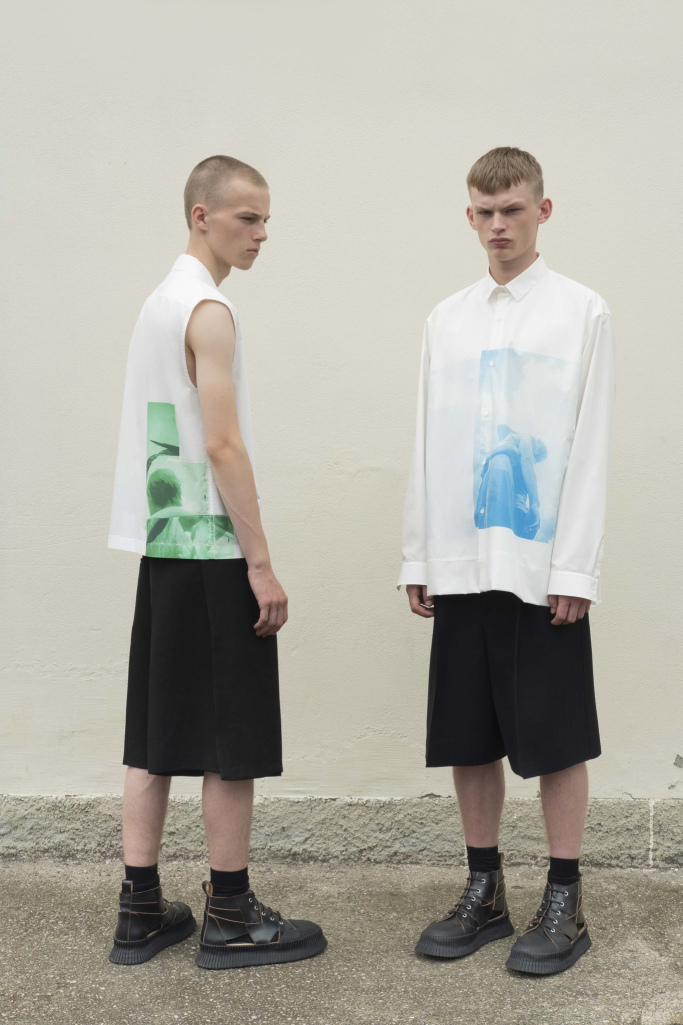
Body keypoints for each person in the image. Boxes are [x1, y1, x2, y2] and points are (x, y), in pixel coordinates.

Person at [398, 146, 616, 975]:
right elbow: (426, 435)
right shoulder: (445, 319)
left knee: (555, 736)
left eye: (513, 210)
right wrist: (419, 550)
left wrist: (574, 567)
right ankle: (483, 887)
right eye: (485, 213)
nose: (498, 226)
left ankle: (564, 897)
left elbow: (589, 445)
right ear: (469, 216)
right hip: (460, 557)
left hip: (538, 563)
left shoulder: (581, 312)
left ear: (541, 211)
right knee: (468, 732)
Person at [107, 155, 326, 969]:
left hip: (165, 543)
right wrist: (258, 562)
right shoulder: (208, 309)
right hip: (210, 544)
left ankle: (140, 910)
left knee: (153, 731)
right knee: (231, 736)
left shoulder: (157, 303)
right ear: (201, 215)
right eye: (247, 217)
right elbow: (223, 442)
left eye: (266, 219)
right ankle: (229, 912)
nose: (261, 233)